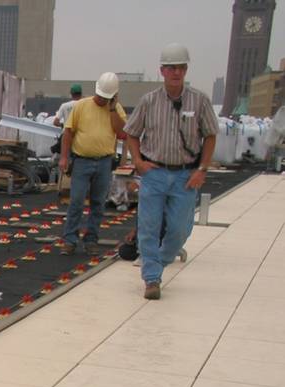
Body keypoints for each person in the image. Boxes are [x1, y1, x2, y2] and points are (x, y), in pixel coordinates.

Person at [124, 43, 217, 300]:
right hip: (154, 173)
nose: (176, 72)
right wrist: (139, 161)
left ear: (186, 71)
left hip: (185, 176)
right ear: (162, 71)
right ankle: (151, 278)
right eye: (171, 68)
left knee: (179, 230)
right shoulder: (149, 101)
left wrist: (203, 169)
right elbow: (131, 133)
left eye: (181, 68)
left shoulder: (199, 101)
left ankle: (160, 260)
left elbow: (210, 136)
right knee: (149, 227)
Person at [59, 72, 127, 255]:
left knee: (98, 203)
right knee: (77, 201)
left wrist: (112, 109)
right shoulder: (81, 106)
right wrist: (64, 157)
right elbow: (68, 133)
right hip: (82, 161)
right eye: (101, 96)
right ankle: (70, 240)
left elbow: (122, 133)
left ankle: (91, 239)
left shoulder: (116, 109)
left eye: (106, 97)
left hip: (104, 162)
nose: (102, 100)